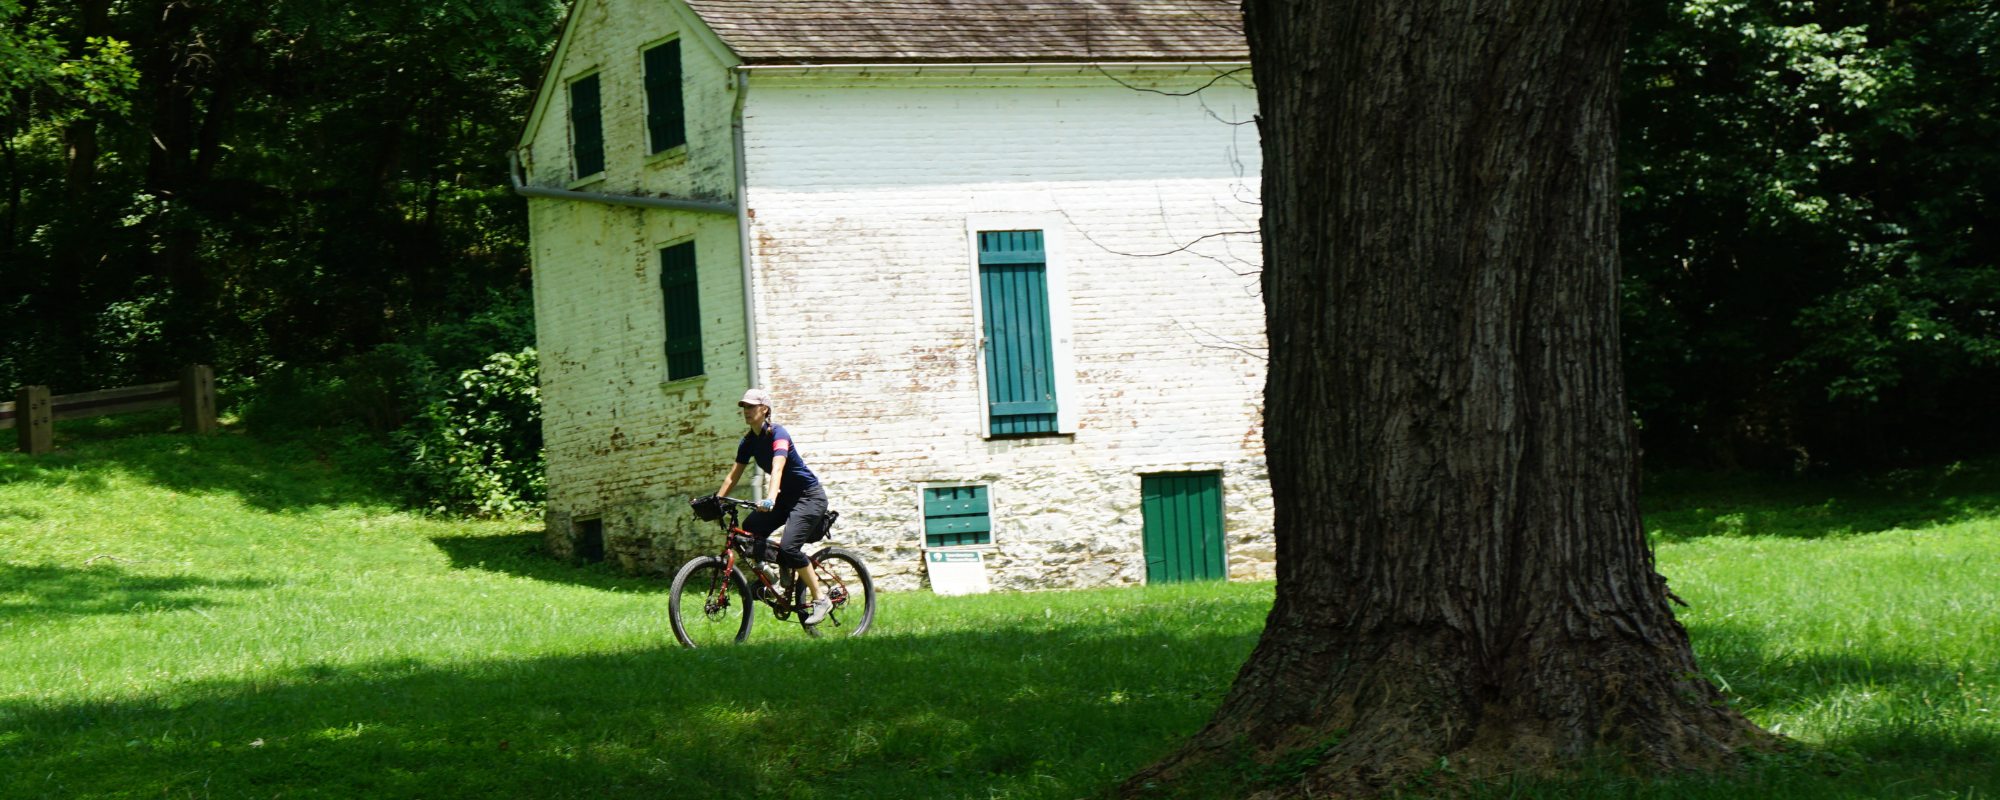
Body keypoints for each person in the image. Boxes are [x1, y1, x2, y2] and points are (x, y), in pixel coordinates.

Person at [715, 388, 833, 624]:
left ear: (764, 409)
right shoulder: (748, 441)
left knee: (790, 547)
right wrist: (716, 500)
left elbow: (777, 468)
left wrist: (769, 499)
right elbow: (733, 476)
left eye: (750, 407)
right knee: (748, 531)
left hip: (809, 496)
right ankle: (774, 577)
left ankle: (821, 599)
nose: (746, 411)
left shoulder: (779, 434)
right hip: (786, 497)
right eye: (744, 407)